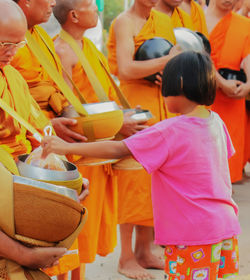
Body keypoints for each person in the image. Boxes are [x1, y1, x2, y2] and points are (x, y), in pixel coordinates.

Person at [42, 51, 241, 280]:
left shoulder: (170, 130)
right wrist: (152, 138)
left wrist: (65, 147)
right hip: (225, 227)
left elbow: (118, 149)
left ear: (180, 84)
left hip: (192, 236)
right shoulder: (216, 121)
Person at [47, 1, 148, 279]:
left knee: (88, 229)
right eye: (92, 5)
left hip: (98, 147)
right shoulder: (62, 51)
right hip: (79, 149)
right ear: (75, 15)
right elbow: (69, 113)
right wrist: (117, 123)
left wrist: (123, 117)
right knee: (74, 227)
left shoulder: (88, 47)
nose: (97, 9)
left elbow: (101, 98)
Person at [107, 0, 178, 278]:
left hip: (161, 105)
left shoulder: (161, 20)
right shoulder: (125, 21)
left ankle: (144, 251)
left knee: (155, 179)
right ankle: (125, 258)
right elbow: (125, 69)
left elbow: (160, 63)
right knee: (132, 179)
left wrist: (166, 74)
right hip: (135, 107)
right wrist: (168, 62)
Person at [0, 0, 66, 275]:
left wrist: (62, 177)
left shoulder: (14, 77)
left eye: (18, 45)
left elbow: (39, 132)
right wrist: (24, 255)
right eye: (5, 45)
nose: (12, 53)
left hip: (21, 181)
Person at [11, 0, 86, 144]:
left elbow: (56, 88)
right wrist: (46, 125)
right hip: (22, 137)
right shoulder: (7, 41)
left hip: (53, 130)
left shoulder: (42, 36)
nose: (53, 3)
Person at [206, 0, 250, 183]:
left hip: (233, 96)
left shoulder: (243, 24)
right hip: (205, 94)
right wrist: (221, 82)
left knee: (228, 144)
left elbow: (248, 57)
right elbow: (199, 56)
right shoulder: (198, 20)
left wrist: (249, 84)